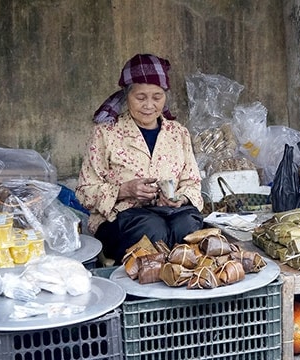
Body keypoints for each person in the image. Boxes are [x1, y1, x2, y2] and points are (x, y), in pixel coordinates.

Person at [76, 54, 204, 264]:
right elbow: (84, 192)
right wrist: (123, 190)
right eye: (140, 97)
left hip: (169, 214)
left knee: (189, 224)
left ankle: (182, 278)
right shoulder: (105, 133)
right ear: (126, 95)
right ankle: (154, 283)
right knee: (151, 228)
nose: (149, 105)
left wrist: (179, 198)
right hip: (120, 220)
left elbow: (192, 182)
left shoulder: (178, 133)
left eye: (157, 97)